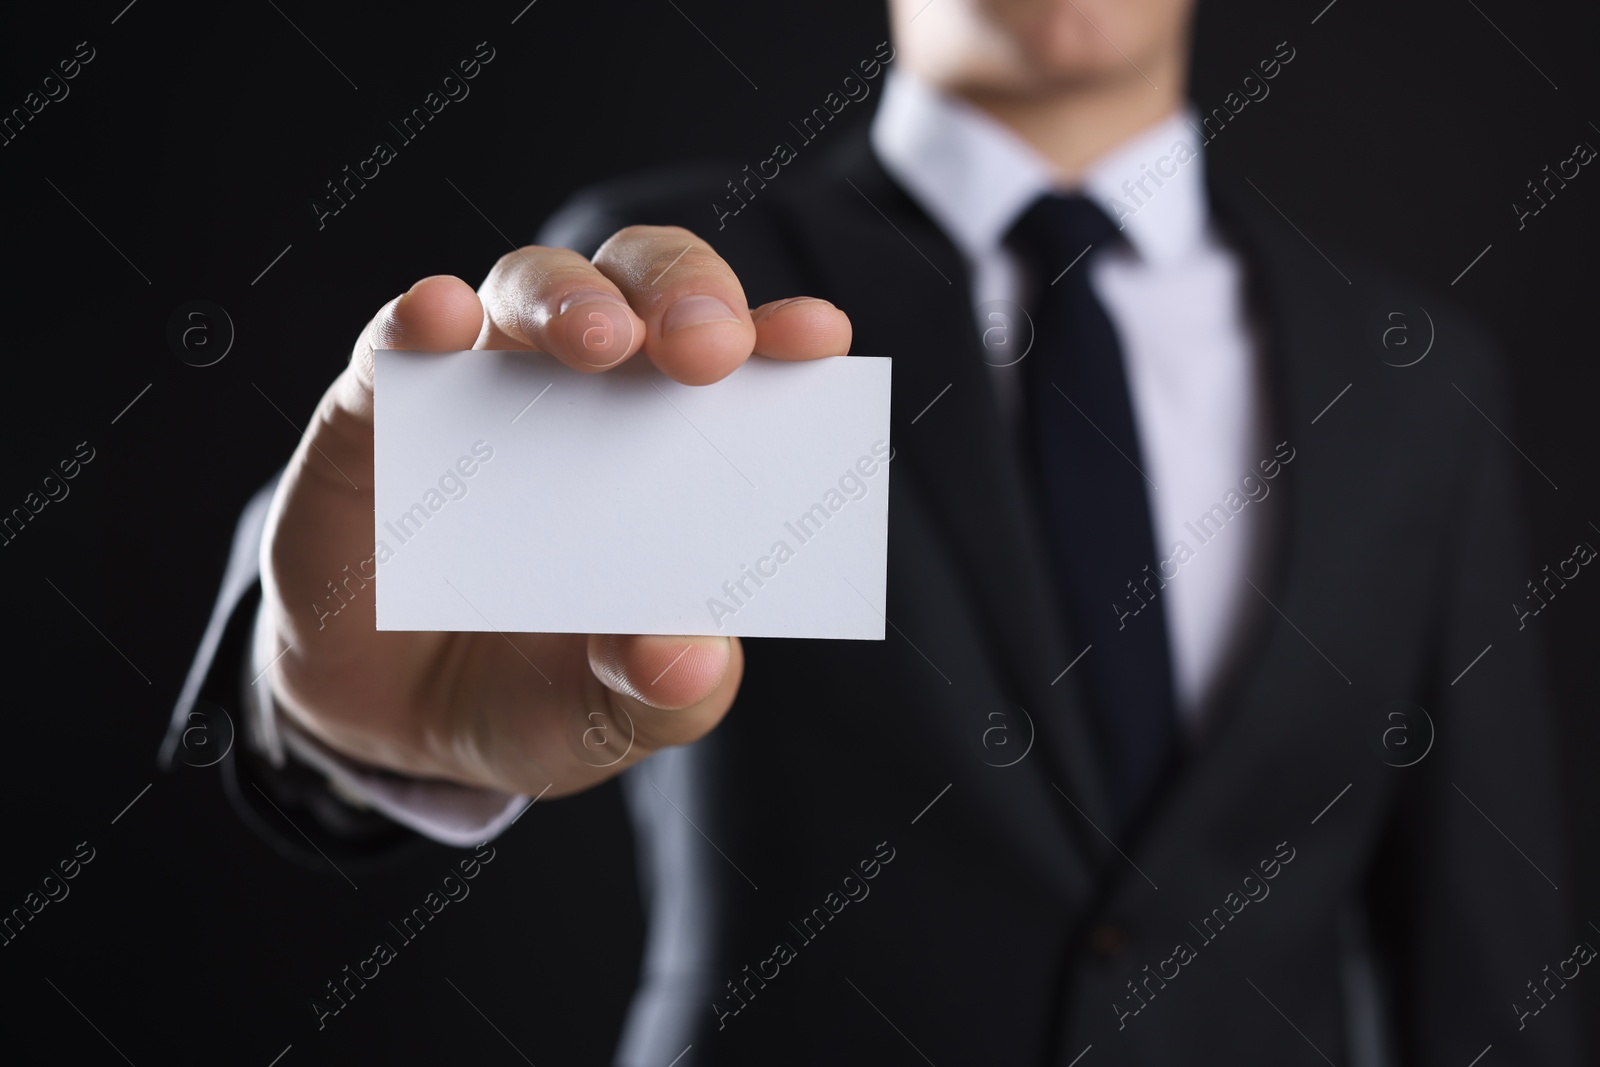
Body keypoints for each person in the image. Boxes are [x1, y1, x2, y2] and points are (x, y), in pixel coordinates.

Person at [166, 0, 1584, 1062]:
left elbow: (1489, 963)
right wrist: (324, 718)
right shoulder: (686, 285)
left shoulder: (1412, 376)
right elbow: (377, 621)